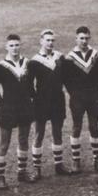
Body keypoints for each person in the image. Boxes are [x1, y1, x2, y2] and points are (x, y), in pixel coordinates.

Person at [0, 34, 37, 188]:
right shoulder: (0, 66)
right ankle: (0, 177)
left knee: (23, 139)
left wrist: (32, 98)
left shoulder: (28, 63)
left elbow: (31, 86)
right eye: (11, 45)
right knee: (4, 142)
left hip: (25, 107)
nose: (14, 48)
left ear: (21, 45)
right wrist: (2, 104)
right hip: (9, 109)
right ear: (6, 47)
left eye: (17, 45)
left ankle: (22, 172)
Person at [63, 26, 98, 173]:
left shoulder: (96, 56)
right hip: (77, 97)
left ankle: (97, 160)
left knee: (94, 127)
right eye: (81, 38)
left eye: (87, 38)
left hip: (93, 95)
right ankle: (76, 161)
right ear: (76, 39)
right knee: (77, 127)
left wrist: (94, 90)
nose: (84, 41)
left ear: (90, 38)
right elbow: (67, 80)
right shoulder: (69, 58)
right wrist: (74, 93)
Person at [28, 30, 70, 178]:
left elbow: (65, 78)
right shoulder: (34, 61)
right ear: (41, 41)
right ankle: (36, 168)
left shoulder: (60, 57)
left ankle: (59, 165)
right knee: (39, 134)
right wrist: (37, 97)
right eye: (47, 40)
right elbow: (29, 84)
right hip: (41, 102)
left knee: (57, 132)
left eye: (52, 40)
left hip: (58, 100)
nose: (50, 43)